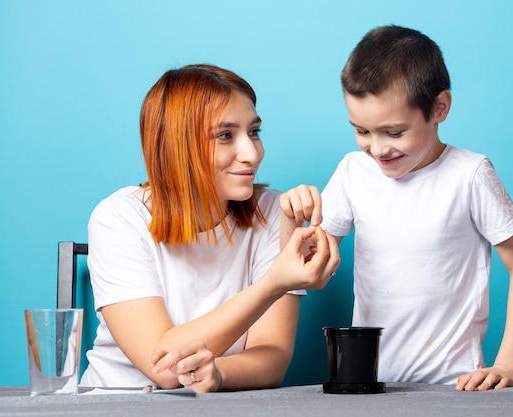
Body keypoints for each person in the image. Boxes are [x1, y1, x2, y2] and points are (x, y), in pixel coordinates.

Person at [281, 25, 513, 391]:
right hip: (370, 383)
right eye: (362, 131)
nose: (377, 149)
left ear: (439, 108)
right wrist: (292, 221)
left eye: (394, 132)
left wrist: (508, 365)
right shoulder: (352, 172)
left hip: (454, 386)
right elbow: (313, 270)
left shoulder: (469, 175)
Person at [80, 64, 340, 393]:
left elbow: (272, 355)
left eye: (254, 132)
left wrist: (218, 374)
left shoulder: (274, 212)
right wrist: (274, 282)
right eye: (225, 135)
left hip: (218, 407)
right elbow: (163, 366)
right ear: (177, 146)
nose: (252, 153)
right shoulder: (117, 218)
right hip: (114, 404)